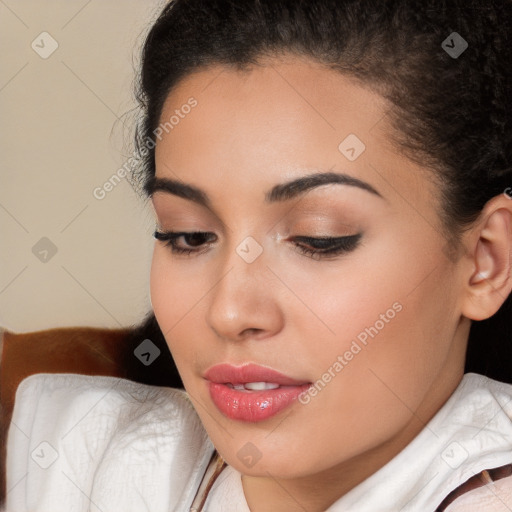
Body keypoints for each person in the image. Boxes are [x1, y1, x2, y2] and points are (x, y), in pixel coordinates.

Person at [4, 0, 512, 510]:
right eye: (189, 235)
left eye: (318, 239)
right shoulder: (73, 456)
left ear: (485, 261)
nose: (229, 312)